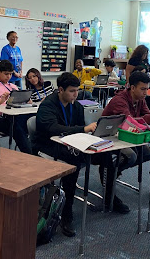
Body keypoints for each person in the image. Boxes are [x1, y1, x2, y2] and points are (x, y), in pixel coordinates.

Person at [33, 72, 112, 237]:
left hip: (70, 142)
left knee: (104, 155)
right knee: (74, 162)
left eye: (77, 90)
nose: (76, 94)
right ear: (60, 90)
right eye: (72, 91)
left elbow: (77, 125)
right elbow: (52, 129)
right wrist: (82, 130)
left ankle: (111, 197)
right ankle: (66, 212)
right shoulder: (48, 105)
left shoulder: (75, 105)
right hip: (48, 144)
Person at [102, 71, 150, 209]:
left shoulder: (140, 99)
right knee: (131, 156)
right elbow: (129, 121)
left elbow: (146, 115)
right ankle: (109, 180)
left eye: (147, 89)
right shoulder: (119, 100)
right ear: (132, 87)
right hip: (111, 137)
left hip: (129, 135)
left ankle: (114, 170)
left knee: (148, 154)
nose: (145, 92)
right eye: (143, 89)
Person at [0, 60, 32, 154]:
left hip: (15, 116)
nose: (8, 77)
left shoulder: (13, 87)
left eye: (10, 74)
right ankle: (31, 154)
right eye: (6, 74)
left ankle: (36, 151)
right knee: (17, 127)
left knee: (33, 121)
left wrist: (26, 100)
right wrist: (0, 101)